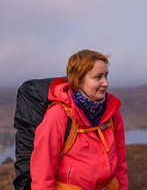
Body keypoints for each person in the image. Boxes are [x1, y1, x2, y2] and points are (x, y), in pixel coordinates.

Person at [30, 49, 128, 190]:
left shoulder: (112, 113)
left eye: (106, 76)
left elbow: (120, 166)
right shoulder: (59, 115)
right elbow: (42, 174)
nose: (105, 83)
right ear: (79, 80)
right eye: (98, 77)